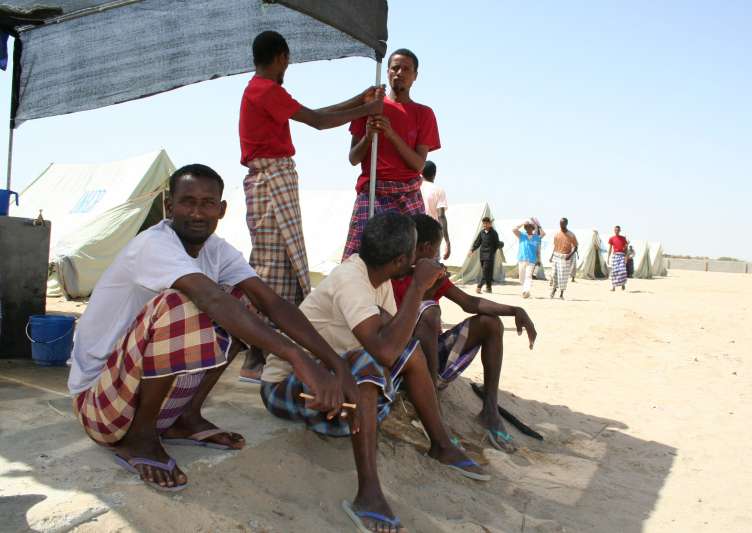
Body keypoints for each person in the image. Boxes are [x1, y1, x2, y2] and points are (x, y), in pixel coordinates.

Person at [68, 165, 358, 492]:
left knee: (243, 301)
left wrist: (336, 365)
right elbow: (212, 300)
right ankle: (140, 438)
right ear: (168, 206)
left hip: (144, 398)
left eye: (207, 203)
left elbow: (272, 304)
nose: (196, 212)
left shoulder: (217, 250)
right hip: (102, 407)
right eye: (186, 201)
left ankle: (185, 418)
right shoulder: (153, 245)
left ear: (221, 210)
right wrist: (299, 359)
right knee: (183, 303)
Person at [261, 213, 488, 533]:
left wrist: (416, 297)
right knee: (368, 362)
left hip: (333, 375)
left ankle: (441, 444)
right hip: (286, 385)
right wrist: (418, 289)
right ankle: (368, 493)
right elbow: (382, 351)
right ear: (401, 260)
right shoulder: (351, 280)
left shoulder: (376, 277)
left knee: (407, 353)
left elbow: (397, 339)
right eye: (416, 254)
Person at [238, 30, 383, 382]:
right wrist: (367, 109)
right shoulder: (265, 90)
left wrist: (358, 100)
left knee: (286, 264)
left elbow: (313, 113)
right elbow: (317, 121)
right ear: (281, 57)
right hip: (271, 177)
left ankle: (272, 349)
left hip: (275, 178)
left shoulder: (264, 92)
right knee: (271, 266)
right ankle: (255, 354)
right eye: (288, 60)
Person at [393, 214, 537, 453]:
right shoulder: (393, 273)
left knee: (491, 323)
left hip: (429, 355)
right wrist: (425, 295)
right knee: (429, 311)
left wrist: (514, 310)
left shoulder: (432, 276)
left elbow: (470, 303)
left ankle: (490, 410)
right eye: (437, 250)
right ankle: (434, 409)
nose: (437, 257)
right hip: (402, 360)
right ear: (425, 248)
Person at [343, 48, 441, 260]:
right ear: (387, 72)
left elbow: (418, 165)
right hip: (372, 193)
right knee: (362, 261)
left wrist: (390, 134)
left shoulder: (424, 114)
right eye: (395, 68)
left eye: (406, 69)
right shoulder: (371, 106)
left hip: (407, 196)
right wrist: (369, 136)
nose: (400, 73)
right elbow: (353, 158)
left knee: (406, 262)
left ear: (415, 76)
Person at [419, 160, 451, 260]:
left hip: (416, 230)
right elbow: (441, 216)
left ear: (421, 172)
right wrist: (447, 241)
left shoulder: (415, 187)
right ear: (434, 174)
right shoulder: (438, 190)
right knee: (431, 266)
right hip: (432, 235)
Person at [513, 218, 545, 298]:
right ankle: (525, 289)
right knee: (521, 278)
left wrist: (539, 225)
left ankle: (526, 291)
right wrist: (523, 222)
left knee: (528, 276)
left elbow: (543, 234)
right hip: (522, 259)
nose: (528, 228)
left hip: (532, 260)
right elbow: (514, 229)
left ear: (533, 228)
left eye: (530, 227)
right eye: (526, 227)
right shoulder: (521, 235)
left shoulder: (536, 238)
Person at [470, 217, 502, 294]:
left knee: (485, 271)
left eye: (486, 223)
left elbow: (497, 244)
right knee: (487, 272)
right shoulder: (481, 233)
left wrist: (501, 244)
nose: (484, 225)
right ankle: (489, 288)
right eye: (483, 223)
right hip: (482, 255)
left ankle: (479, 286)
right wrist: (472, 249)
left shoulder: (494, 233)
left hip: (490, 255)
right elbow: (477, 242)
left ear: (490, 224)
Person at [550, 218, 578, 299]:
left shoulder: (571, 234)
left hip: (565, 256)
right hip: (556, 255)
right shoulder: (556, 234)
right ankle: (554, 289)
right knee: (554, 274)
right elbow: (555, 246)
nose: (561, 225)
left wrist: (570, 254)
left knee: (562, 276)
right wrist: (552, 256)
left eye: (563, 223)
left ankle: (561, 293)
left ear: (566, 224)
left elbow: (576, 247)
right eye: (560, 223)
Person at [606, 225, 629, 291]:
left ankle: (623, 284)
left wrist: (626, 258)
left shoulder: (623, 238)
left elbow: (626, 249)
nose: (617, 231)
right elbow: (610, 249)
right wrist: (608, 257)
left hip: (622, 255)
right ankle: (613, 287)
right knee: (614, 271)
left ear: (620, 231)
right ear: (614, 230)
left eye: (618, 230)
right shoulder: (611, 238)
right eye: (615, 230)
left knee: (622, 270)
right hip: (615, 255)